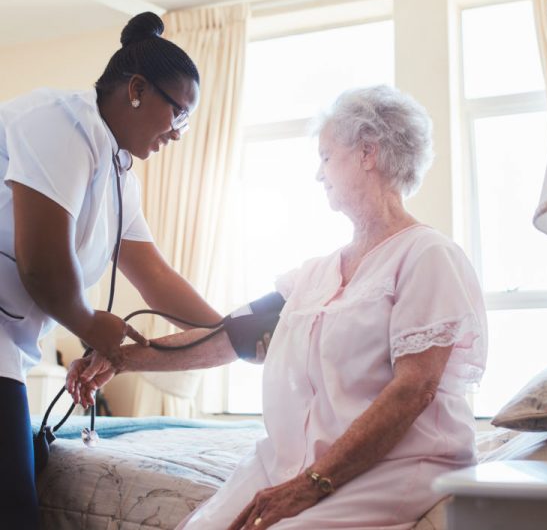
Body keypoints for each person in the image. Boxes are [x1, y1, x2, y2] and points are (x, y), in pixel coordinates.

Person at [68, 85, 487, 529]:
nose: (318, 174)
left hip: (395, 465)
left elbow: (414, 389)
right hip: (295, 461)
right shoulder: (315, 274)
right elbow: (230, 337)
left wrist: (312, 483)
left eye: (326, 156)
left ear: (368, 153)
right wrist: (121, 359)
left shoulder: (427, 254)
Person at [0, 11, 239, 530]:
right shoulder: (59, 122)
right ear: (136, 89)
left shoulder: (118, 172)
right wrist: (90, 327)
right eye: (179, 113)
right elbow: (41, 265)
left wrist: (229, 332)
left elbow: (154, 275)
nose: (179, 133)